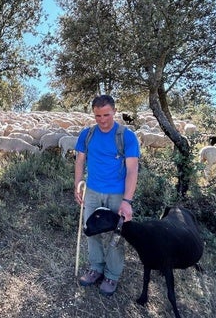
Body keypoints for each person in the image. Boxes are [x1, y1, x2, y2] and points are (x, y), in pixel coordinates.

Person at [74, 94, 141, 296]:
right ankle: (96, 268)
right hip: (92, 191)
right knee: (90, 230)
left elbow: (132, 170)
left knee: (116, 236)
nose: (102, 120)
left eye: (106, 115)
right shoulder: (87, 134)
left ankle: (112, 275)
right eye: (97, 115)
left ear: (114, 112)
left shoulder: (126, 136)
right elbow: (79, 161)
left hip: (117, 194)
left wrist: (127, 201)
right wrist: (77, 184)